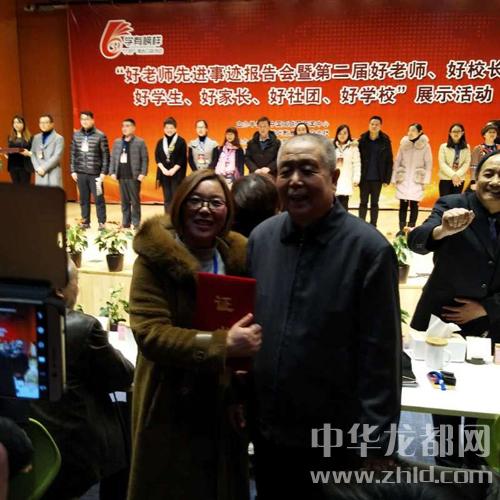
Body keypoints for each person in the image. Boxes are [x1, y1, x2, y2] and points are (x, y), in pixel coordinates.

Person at [248, 134, 402, 499]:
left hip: (333, 439)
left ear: (333, 178)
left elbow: (381, 357)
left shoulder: (368, 249)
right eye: (286, 171)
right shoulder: (262, 239)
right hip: (269, 431)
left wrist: (377, 443)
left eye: (307, 170)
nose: (295, 181)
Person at [128, 169, 262, 500]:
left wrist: (242, 394)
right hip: (169, 400)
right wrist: (221, 344)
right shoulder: (154, 260)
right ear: (180, 205)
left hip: (221, 400)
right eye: (196, 201)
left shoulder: (236, 258)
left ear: (227, 211)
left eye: (215, 203)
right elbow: (151, 334)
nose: (205, 210)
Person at [408, 150, 500, 467]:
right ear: (476, 178)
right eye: (489, 173)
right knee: (443, 394)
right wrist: (443, 231)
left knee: (482, 398)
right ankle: (448, 463)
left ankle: (475, 462)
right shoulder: (453, 205)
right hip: (443, 323)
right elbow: (417, 240)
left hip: (489, 325)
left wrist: (486, 308)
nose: (495, 181)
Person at [30, 259, 134, 499]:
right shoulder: (83, 327)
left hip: (33, 440)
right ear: (60, 289)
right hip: (77, 450)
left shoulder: (16, 318)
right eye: (76, 282)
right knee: (122, 420)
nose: (77, 288)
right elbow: (123, 374)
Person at [70, 111, 110, 230]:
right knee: (83, 199)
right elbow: (73, 154)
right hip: (81, 173)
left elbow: (106, 155)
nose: (85, 121)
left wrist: (103, 172)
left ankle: (101, 222)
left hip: (96, 174)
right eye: (82, 119)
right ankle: (85, 221)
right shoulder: (76, 135)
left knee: (99, 199)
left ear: (93, 120)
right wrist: (73, 170)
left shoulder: (100, 135)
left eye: (87, 119)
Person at [391, 123, 433, 234]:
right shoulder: (404, 144)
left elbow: (428, 163)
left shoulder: (425, 146)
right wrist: (394, 178)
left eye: (413, 130)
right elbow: (397, 161)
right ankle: (401, 230)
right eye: (409, 130)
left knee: (414, 205)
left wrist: (425, 181)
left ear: (420, 132)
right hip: (403, 178)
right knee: (403, 205)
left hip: (417, 180)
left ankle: (411, 230)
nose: (410, 133)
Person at [109, 118, 149, 230]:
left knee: (135, 201)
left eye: (127, 126)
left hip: (134, 176)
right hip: (121, 175)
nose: (124, 128)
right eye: (123, 126)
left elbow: (145, 159)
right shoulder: (117, 142)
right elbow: (112, 158)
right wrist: (112, 171)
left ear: (133, 128)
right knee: (124, 201)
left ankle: (136, 223)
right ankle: (126, 222)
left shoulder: (140, 142)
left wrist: (143, 173)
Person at [358, 116, 393, 227]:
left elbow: (389, 161)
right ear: (369, 125)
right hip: (364, 178)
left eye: (376, 124)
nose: (374, 126)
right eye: (372, 124)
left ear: (380, 126)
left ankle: (373, 225)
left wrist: (387, 179)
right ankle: (361, 225)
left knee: (374, 203)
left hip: (377, 179)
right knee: (363, 203)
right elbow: (356, 160)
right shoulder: (362, 140)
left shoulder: (385, 141)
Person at [155, 116, 187, 212]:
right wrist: (163, 170)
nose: (169, 130)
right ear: (164, 129)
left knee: (176, 198)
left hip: (177, 175)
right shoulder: (160, 142)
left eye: (171, 128)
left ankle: (177, 218)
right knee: (167, 198)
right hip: (164, 174)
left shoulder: (181, 141)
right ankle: (167, 218)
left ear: (175, 129)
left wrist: (173, 170)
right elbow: (157, 157)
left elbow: (182, 158)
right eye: (167, 128)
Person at [24, 114, 64, 187]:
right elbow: (33, 154)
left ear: (52, 124)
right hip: (39, 173)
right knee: (41, 194)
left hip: (52, 173)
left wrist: (43, 168)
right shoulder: (36, 138)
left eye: (46, 122)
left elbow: (57, 156)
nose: (43, 125)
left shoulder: (58, 138)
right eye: (41, 122)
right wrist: (37, 168)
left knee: (54, 193)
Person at [438, 123, 471, 197]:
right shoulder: (443, 147)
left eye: (458, 131)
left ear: (462, 133)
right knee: (444, 201)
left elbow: (466, 163)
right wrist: (453, 175)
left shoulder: (467, 147)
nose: (456, 133)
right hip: (445, 178)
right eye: (454, 131)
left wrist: (457, 175)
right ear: (450, 133)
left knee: (455, 202)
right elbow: (442, 163)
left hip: (459, 179)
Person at [334, 124, 361, 211]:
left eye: (345, 133)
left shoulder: (353, 147)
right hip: (335, 180)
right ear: (337, 134)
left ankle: (344, 219)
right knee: (334, 205)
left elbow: (357, 163)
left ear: (348, 134)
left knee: (344, 204)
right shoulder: (332, 147)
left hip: (347, 179)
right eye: (340, 133)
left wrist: (356, 178)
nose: (342, 135)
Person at [5, 115, 32, 185]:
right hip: (13, 167)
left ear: (23, 124)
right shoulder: (10, 138)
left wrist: (28, 153)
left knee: (25, 189)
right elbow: (10, 154)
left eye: (18, 122)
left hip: (25, 167)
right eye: (14, 122)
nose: (16, 124)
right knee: (16, 189)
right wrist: (4, 152)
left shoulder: (29, 138)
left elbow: (32, 153)